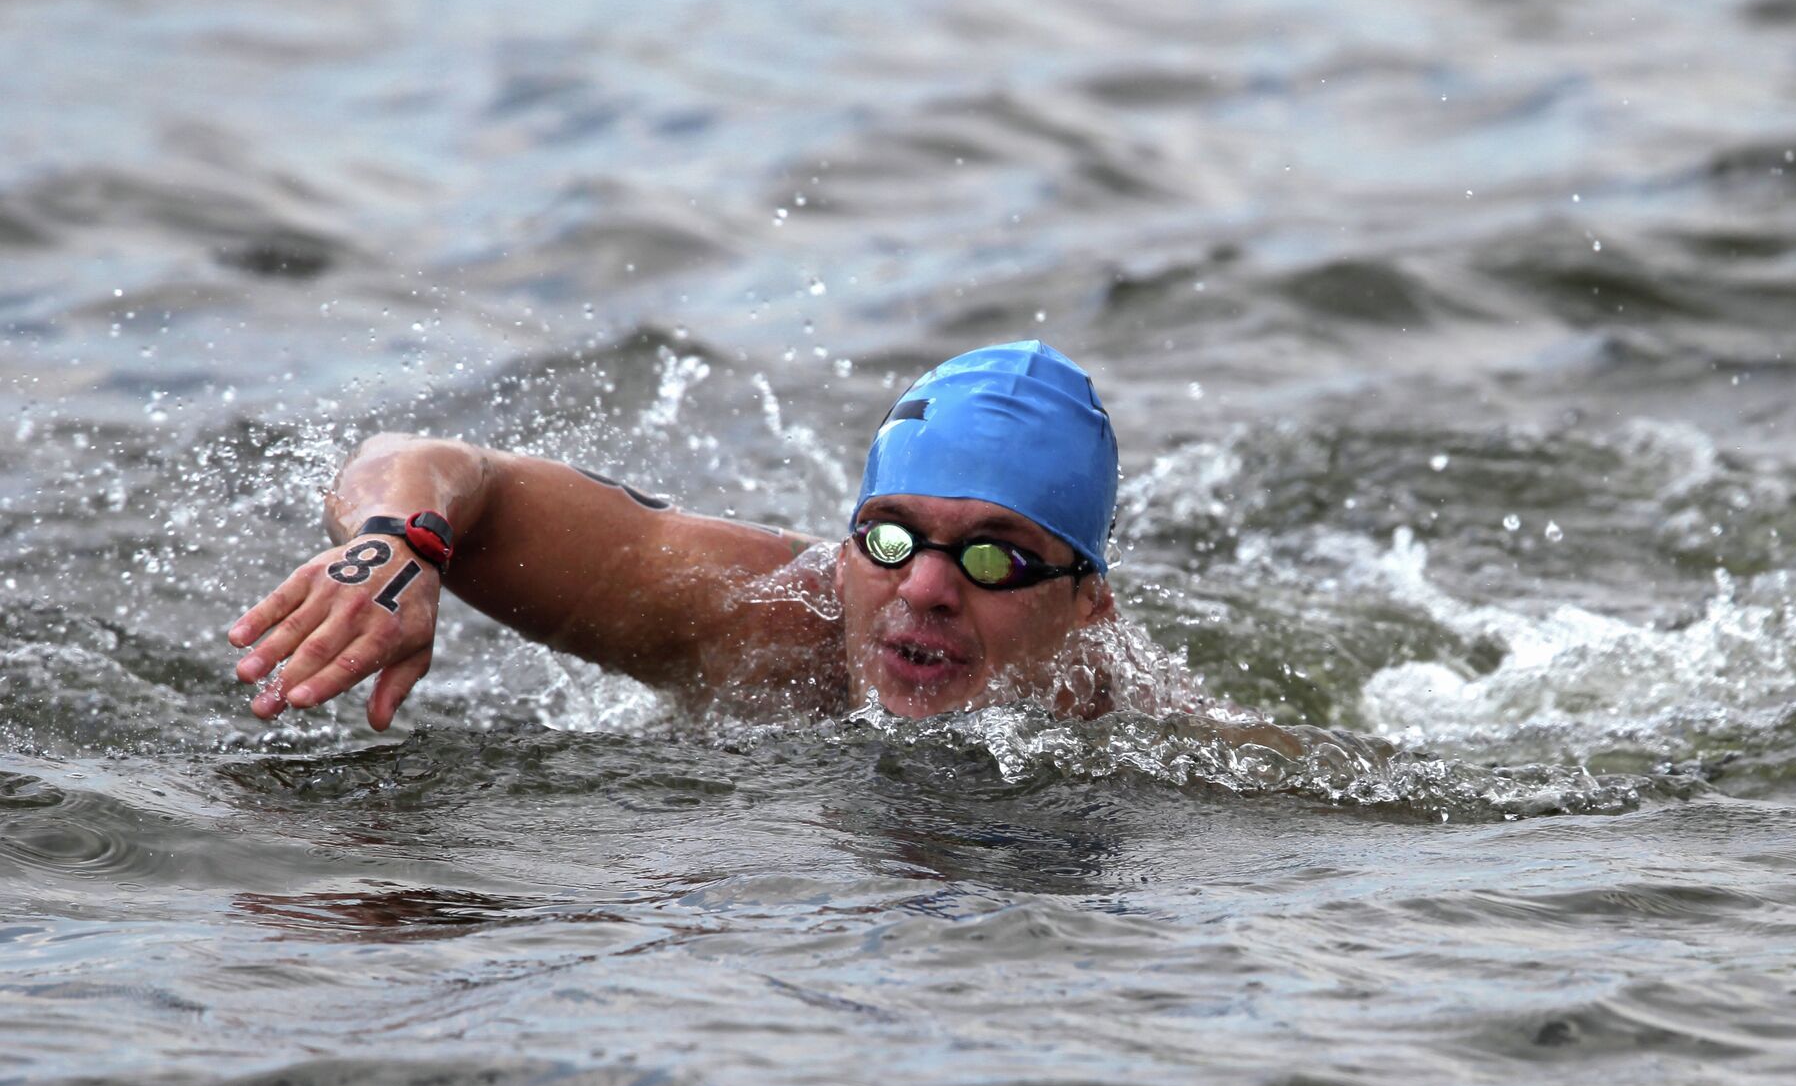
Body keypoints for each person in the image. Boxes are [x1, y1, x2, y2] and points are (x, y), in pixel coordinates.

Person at [229, 340, 1131, 729]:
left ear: (1088, 605)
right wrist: (401, 541)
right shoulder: (751, 614)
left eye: (991, 557)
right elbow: (435, 462)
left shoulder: (1141, 739)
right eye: (890, 538)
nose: (926, 591)